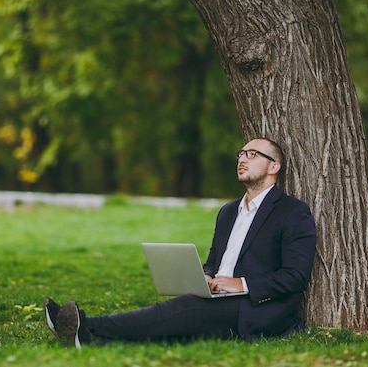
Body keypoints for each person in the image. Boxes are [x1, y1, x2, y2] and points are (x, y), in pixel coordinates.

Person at [45, 138, 316, 348]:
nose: (242, 159)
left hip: (259, 308)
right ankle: (90, 338)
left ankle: (86, 325)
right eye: (241, 154)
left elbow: (295, 277)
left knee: (184, 309)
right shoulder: (228, 212)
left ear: (274, 166)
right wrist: (206, 277)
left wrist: (239, 284)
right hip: (219, 298)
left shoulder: (293, 212)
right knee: (179, 318)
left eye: (252, 154)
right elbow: (213, 263)